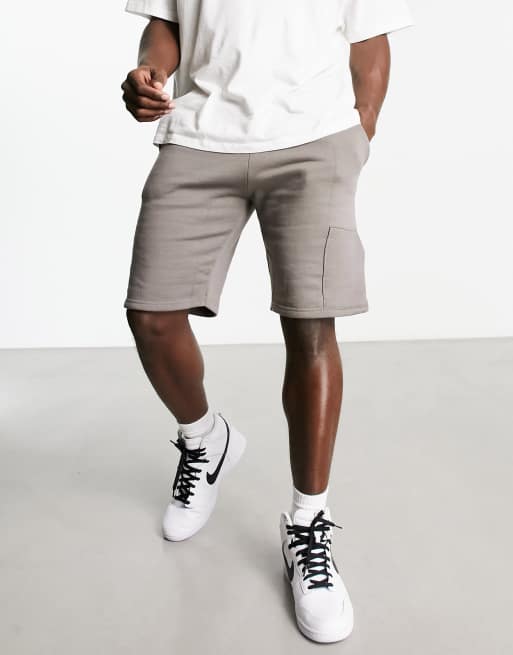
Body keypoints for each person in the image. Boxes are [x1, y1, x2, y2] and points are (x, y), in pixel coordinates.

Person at [121, 0, 413, 643]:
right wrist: (150, 71)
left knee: (312, 325)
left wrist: (360, 131)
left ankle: (308, 522)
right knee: (150, 315)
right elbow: (167, 22)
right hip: (200, 137)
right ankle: (206, 440)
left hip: (314, 140)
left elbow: (369, 38)